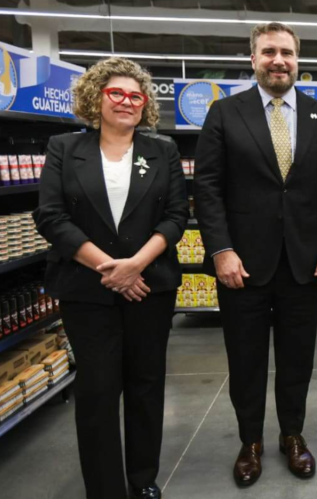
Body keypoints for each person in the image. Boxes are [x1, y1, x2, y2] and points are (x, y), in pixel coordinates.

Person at [194, 22, 317, 487]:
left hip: (305, 264)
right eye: (268, 52)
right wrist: (221, 250)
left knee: (298, 358)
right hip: (242, 265)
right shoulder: (225, 113)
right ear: (253, 59)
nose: (278, 60)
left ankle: (292, 435)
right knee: (245, 360)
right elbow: (207, 189)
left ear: (298, 60)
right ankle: (251, 442)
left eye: (286, 52)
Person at [34, 57, 187, 499]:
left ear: (145, 106)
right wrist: (111, 268)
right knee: (98, 391)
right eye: (116, 93)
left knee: (145, 385)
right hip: (87, 290)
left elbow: (176, 216)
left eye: (135, 96)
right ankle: (103, 489)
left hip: (149, 288)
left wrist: (136, 264)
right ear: (96, 98)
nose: (126, 102)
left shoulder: (163, 150)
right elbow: (51, 217)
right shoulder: (64, 148)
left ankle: (142, 480)